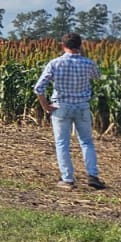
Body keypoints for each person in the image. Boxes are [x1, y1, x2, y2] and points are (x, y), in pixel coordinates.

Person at [34, 33, 105, 190]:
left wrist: (45, 106)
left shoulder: (55, 63)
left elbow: (39, 88)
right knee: (86, 142)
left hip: (61, 107)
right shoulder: (88, 63)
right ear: (81, 45)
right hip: (82, 107)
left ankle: (67, 179)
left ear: (63, 46)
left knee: (62, 144)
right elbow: (98, 77)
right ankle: (92, 176)